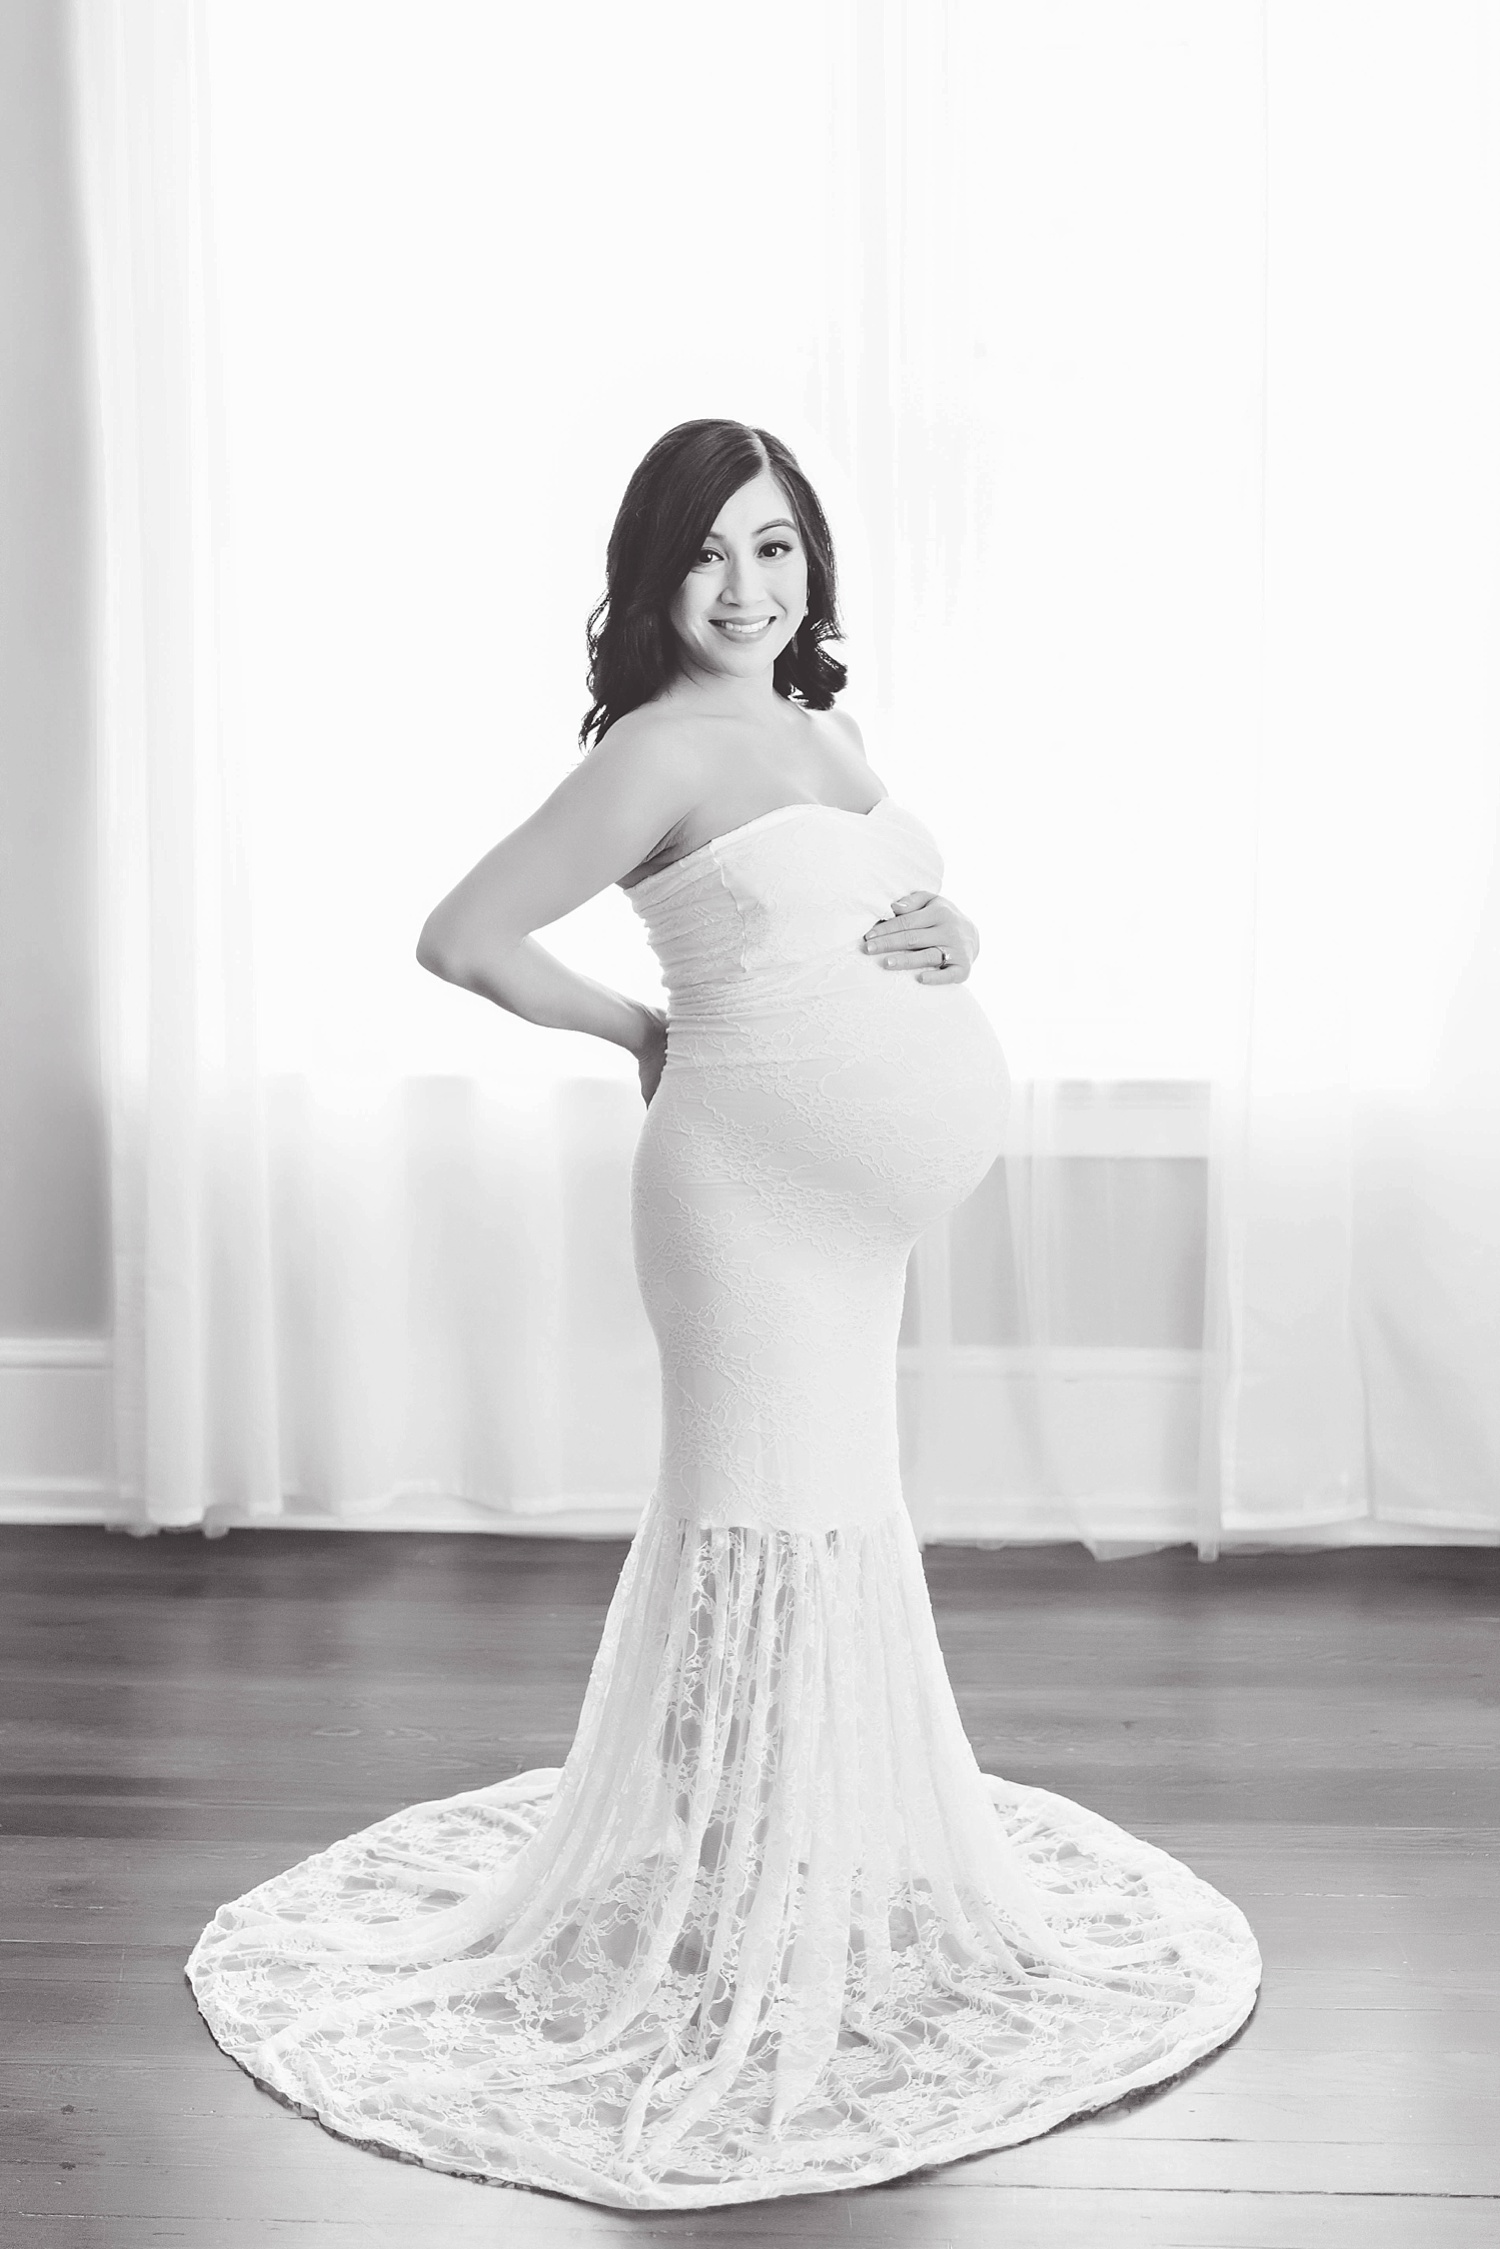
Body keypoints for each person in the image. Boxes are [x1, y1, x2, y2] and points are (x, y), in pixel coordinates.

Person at [186, 419, 1260, 2211]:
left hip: (861, 1220)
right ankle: (731, 1892)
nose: (747, 588)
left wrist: (958, 939)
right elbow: (462, 934)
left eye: (775, 550)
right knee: (750, 1523)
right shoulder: (658, 752)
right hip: (749, 1206)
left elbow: (872, 896)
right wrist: (634, 1033)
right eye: (710, 556)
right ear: (652, 577)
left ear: (810, 565)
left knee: (833, 1520)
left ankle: (806, 1849)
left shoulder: (825, 731)